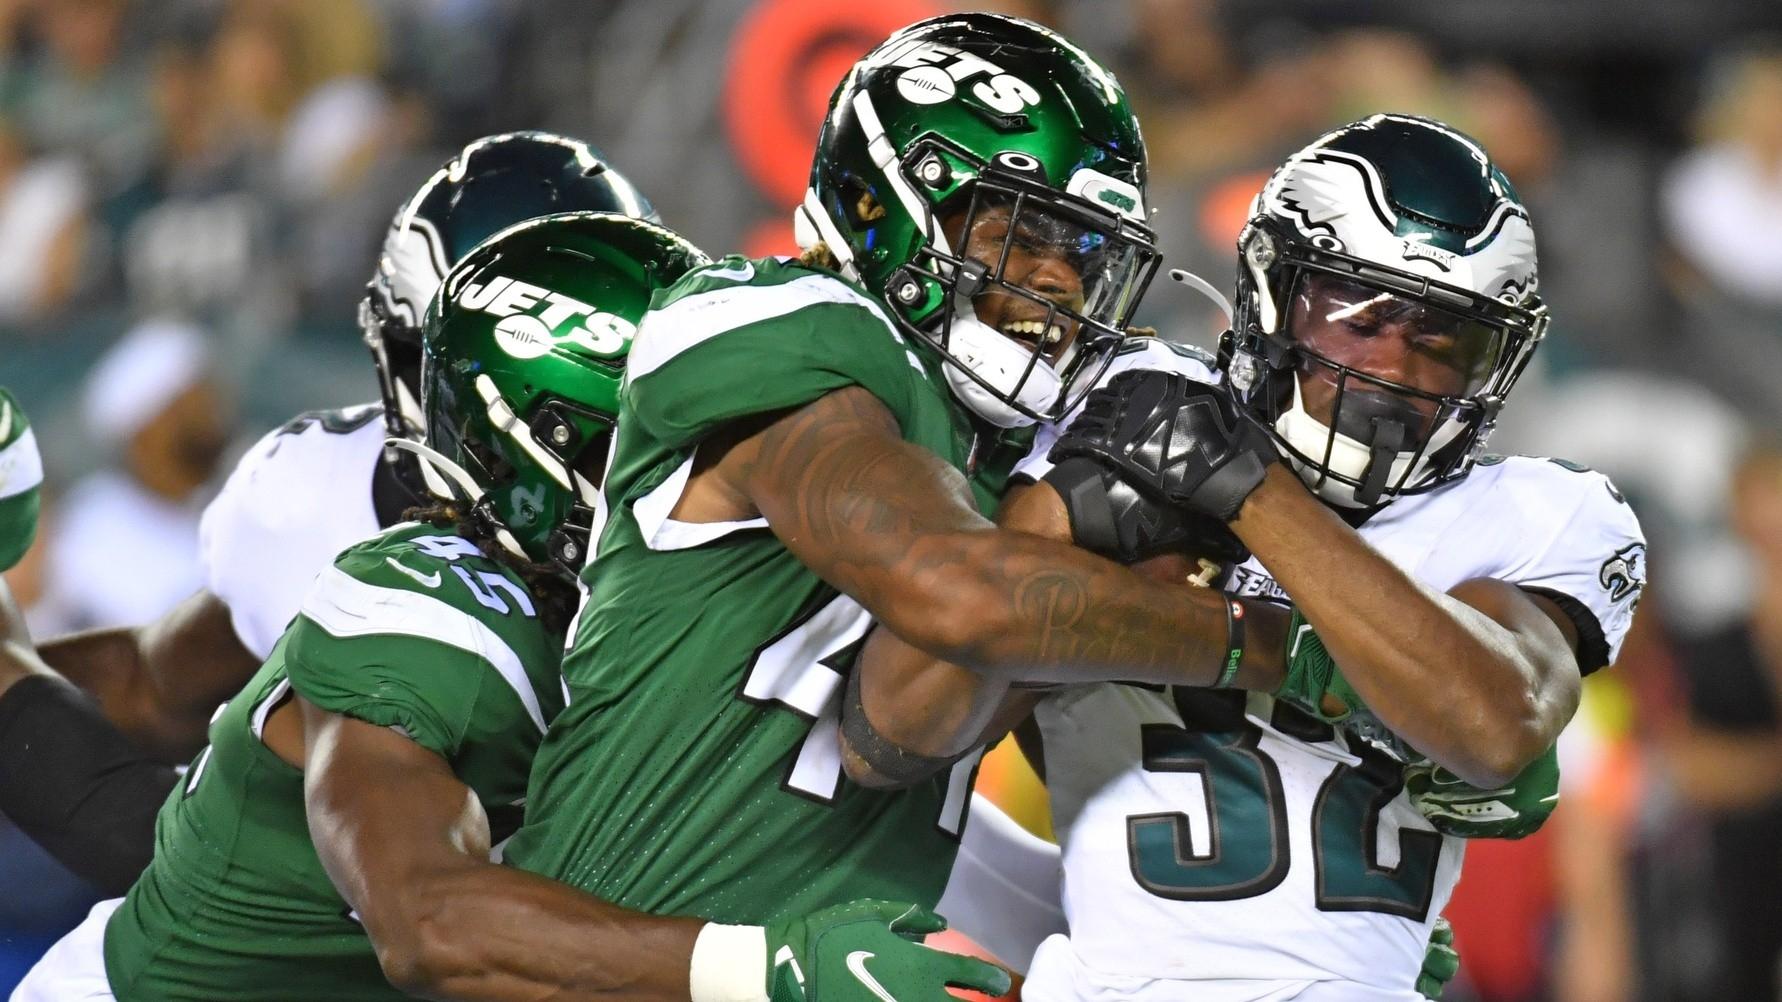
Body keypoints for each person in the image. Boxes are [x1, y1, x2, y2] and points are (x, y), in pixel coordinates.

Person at [493, 15, 1433, 1002]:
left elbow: (922, 735)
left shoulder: (1023, 444)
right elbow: (962, 595)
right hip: (600, 960)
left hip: (826, 965)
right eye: (1021, 230)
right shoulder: (774, 320)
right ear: (884, 201)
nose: (1059, 279)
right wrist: (1292, 649)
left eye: (1083, 249)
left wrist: (1340, 905)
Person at [850, 113, 1644, 1000]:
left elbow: (1497, 726)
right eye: (1361, 317)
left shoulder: (1540, 511)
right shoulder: (1113, 407)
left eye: (1441, 341)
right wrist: (1080, 527)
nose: (1394, 372)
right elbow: (896, 733)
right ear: (1273, 293)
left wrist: (1249, 493)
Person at [10, 210, 720, 1002]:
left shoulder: (651, 599)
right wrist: (767, 970)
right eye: (674, 440)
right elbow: (434, 929)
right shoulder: (423, 604)